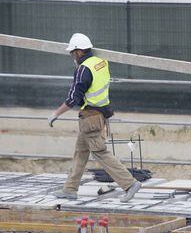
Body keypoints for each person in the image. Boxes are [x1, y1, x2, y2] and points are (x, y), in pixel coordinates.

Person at [48, 33, 141, 202]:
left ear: (78, 52)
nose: (71, 56)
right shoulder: (100, 63)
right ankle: (70, 189)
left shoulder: (83, 69)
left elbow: (72, 99)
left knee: (101, 153)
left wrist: (56, 114)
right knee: (81, 152)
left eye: (72, 53)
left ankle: (129, 184)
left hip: (90, 117)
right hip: (99, 115)